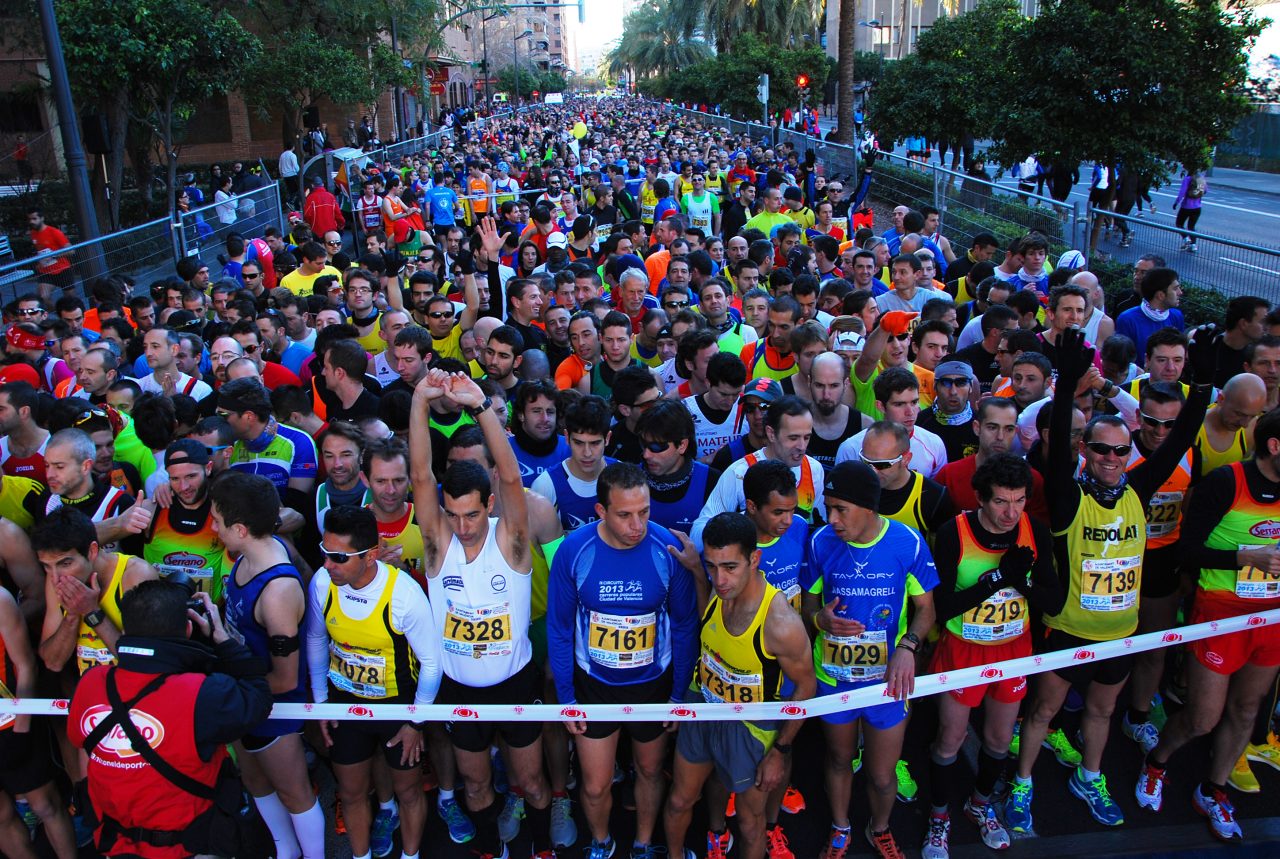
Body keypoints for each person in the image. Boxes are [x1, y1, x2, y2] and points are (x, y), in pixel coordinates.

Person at [1005, 324, 1213, 833]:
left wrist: (1204, 381)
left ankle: (1091, 776)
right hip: (1068, 630)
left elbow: (1182, 435)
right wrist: (1072, 374)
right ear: (1086, 451)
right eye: (1102, 450)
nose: (1112, 460)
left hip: (1119, 632)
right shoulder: (1068, 495)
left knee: (1100, 713)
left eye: (1122, 452)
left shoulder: (1137, 489)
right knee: (1042, 714)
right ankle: (1023, 784)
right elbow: (1056, 458)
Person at [410, 369, 556, 859]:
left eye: (472, 514)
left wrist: (480, 408)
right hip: (460, 688)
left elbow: (511, 474)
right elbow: (419, 476)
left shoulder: (510, 541)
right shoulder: (437, 546)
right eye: (452, 514)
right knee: (475, 788)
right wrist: (418, 401)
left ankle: (540, 849)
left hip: (515, 683)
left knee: (531, 782)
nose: (463, 526)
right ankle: (491, 850)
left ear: (489, 506)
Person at [1137, 408, 1280, 842]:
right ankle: (1157, 762)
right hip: (1218, 614)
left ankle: (1213, 788)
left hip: (1271, 617)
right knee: (1202, 716)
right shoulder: (1227, 483)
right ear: (1274, 446)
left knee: (1247, 709)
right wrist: (1244, 558)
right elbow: (1188, 550)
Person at [547, 462, 698, 859]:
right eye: (625, 515)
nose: (638, 525)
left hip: (653, 684)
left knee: (649, 771)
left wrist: (678, 694)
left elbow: (684, 625)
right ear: (601, 511)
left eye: (644, 512)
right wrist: (566, 698)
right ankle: (601, 842)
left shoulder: (666, 550)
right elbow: (560, 627)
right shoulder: (574, 550)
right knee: (595, 785)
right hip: (595, 687)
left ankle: (643, 843)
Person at [67, 579, 272, 858]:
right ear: (188, 628)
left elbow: (81, 745)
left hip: (115, 846)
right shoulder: (201, 693)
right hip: (191, 847)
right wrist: (222, 638)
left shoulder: (91, 683)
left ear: (127, 630)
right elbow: (258, 698)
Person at [923, 454, 1061, 859]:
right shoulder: (955, 532)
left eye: (1019, 501)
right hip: (962, 648)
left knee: (1000, 738)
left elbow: (1052, 601)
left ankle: (980, 805)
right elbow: (943, 605)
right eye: (1001, 501)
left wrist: (1022, 584)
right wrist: (999, 578)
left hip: (1013, 648)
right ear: (981, 499)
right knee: (950, 739)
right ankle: (938, 817)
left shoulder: (1034, 530)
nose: (1010, 512)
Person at [802, 460, 937, 859]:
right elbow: (809, 601)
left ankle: (880, 827)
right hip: (833, 673)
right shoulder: (821, 541)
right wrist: (818, 618)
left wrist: (908, 647)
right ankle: (840, 827)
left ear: (869, 507)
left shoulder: (906, 542)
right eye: (828, 508)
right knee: (840, 758)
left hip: (885, 681)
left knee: (881, 774)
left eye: (841, 509)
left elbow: (927, 609)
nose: (832, 519)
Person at [662, 512, 816, 859]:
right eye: (712, 565)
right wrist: (694, 568)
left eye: (730, 566)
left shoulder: (781, 624)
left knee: (750, 822)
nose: (720, 578)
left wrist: (781, 751)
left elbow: (806, 689)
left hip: (750, 726)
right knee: (679, 800)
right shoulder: (717, 589)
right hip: (704, 704)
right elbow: (707, 610)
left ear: (754, 559)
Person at [305, 503, 441, 859]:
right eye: (324, 551)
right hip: (346, 703)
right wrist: (321, 701)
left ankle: (410, 855)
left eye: (338, 556)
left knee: (409, 791)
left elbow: (431, 663)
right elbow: (317, 639)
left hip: (398, 707)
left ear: (371, 555)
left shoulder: (404, 595)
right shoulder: (323, 583)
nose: (327, 564)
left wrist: (416, 722)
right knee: (350, 793)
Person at [212, 471, 324, 859]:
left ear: (240, 529)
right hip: (245, 697)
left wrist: (230, 681)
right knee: (255, 780)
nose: (212, 525)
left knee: (294, 792)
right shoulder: (252, 553)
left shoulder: (277, 590)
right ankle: (285, 850)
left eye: (217, 519)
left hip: (271, 706)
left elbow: (285, 677)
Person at [0, 582, 78, 858]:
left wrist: (21, 731)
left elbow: (25, 666)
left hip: (10, 723)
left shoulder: (1, 601)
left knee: (44, 804)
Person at [692, 396, 826, 549]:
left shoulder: (814, 469)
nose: (802, 446)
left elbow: (818, 526)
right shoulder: (739, 473)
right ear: (770, 433)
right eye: (793, 438)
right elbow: (699, 534)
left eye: (807, 437)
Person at [143, 440, 226, 601]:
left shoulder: (224, 508)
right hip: (161, 614)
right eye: (175, 479)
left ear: (208, 468)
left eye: (191, 476)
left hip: (210, 616)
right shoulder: (151, 509)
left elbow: (290, 517)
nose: (183, 486)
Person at [637, 400, 721, 535]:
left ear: (682, 445)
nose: (646, 454)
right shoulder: (629, 479)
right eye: (643, 444)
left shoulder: (712, 482)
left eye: (656, 447)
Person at [533, 395, 614, 533]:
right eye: (579, 443)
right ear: (566, 437)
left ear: (607, 438)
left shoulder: (624, 477)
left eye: (594, 443)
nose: (587, 453)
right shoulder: (546, 486)